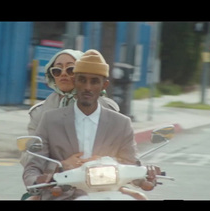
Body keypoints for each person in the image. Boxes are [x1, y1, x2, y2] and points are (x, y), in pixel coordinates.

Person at [21, 49, 141, 200]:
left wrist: (107, 162)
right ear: (76, 82)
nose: (88, 87)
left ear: (104, 85)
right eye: (57, 71)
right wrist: (60, 167)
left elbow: (132, 163)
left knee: (139, 197)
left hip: (106, 190)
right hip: (59, 192)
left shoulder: (119, 121)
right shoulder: (47, 117)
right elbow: (33, 163)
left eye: (70, 69)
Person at [27, 49, 119, 135]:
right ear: (52, 78)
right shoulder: (38, 112)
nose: (63, 73)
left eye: (70, 69)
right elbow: (31, 148)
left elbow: (116, 146)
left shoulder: (108, 108)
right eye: (57, 71)